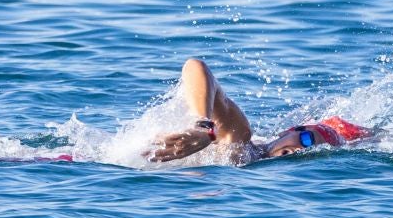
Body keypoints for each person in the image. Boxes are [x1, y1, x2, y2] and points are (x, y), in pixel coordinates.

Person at [149, 58, 373, 164]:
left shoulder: (250, 160)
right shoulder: (240, 139)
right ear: (290, 131)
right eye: (306, 140)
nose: (298, 151)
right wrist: (202, 127)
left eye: (311, 151)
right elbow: (195, 66)